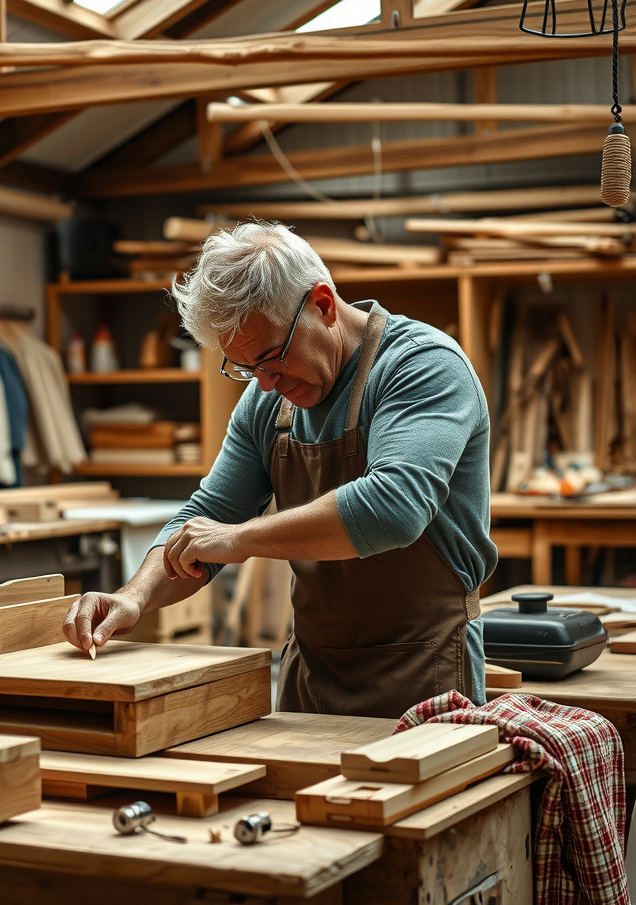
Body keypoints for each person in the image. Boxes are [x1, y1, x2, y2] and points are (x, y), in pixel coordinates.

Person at [63, 220, 497, 719]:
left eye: (272, 358)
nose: (265, 384)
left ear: (323, 306)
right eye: (245, 367)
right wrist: (135, 597)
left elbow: (393, 509)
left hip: (426, 673)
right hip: (310, 676)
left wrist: (241, 539)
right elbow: (207, 514)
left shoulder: (421, 367)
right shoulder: (266, 403)